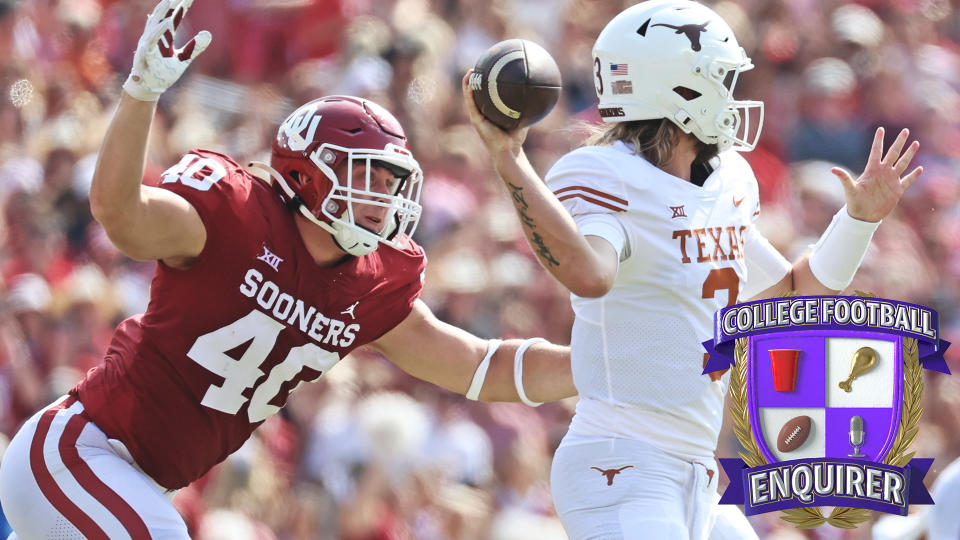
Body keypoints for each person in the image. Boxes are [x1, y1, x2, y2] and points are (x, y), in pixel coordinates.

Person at [0, 1, 575, 537]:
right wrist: (141, 95)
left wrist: (600, 365)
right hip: (82, 449)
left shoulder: (369, 282)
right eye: (365, 175)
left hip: (137, 480)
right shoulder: (234, 214)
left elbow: (481, 367)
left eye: (389, 182)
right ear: (303, 172)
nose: (380, 197)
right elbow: (119, 215)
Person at [462, 1, 923, 539]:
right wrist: (511, 161)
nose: (731, 96)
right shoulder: (604, 174)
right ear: (675, 87)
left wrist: (858, 220)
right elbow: (589, 274)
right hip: (622, 462)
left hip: (696, 469)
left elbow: (791, 296)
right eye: (720, 79)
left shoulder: (726, 180)